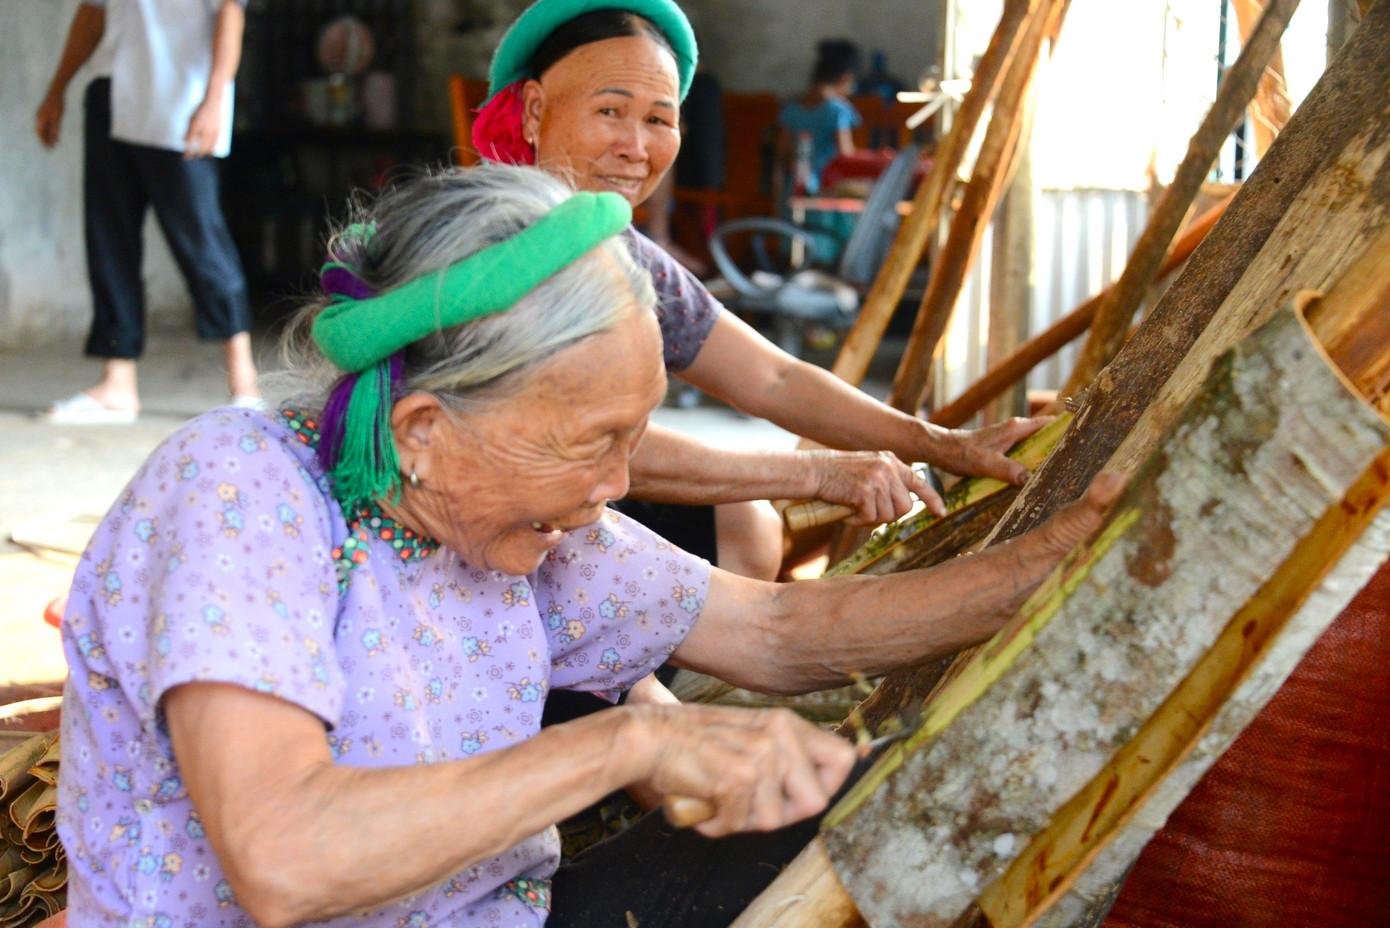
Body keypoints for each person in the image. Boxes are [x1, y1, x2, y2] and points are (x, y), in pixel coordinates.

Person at [55, 164, 1120, 928]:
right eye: (594, 443)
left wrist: (1064, 555)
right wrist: (627, 744)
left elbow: (784, 626)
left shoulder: (521, 528)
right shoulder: (241, 490)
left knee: (895, 805)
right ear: (424, 430)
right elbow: (282, 858)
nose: (620, 486)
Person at [470, 0, 1045, 584]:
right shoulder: (484, 239)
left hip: (564, 498)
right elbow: (575, 447)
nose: (636, 147)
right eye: (611, 111)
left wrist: (946, 445)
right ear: (535, 111)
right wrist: (813, 474)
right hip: (476, 524)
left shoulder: (621, 251)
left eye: (658, 120)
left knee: (744, 523)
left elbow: (774, 378)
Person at [34, 0, 259, 423]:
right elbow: (93, 13)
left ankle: (244, 383)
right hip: (111, 88)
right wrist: (56, 88)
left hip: (176, 97)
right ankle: (117, 382)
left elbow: (231, 11)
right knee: (108, 238)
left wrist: (214, 98)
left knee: (200, 237)